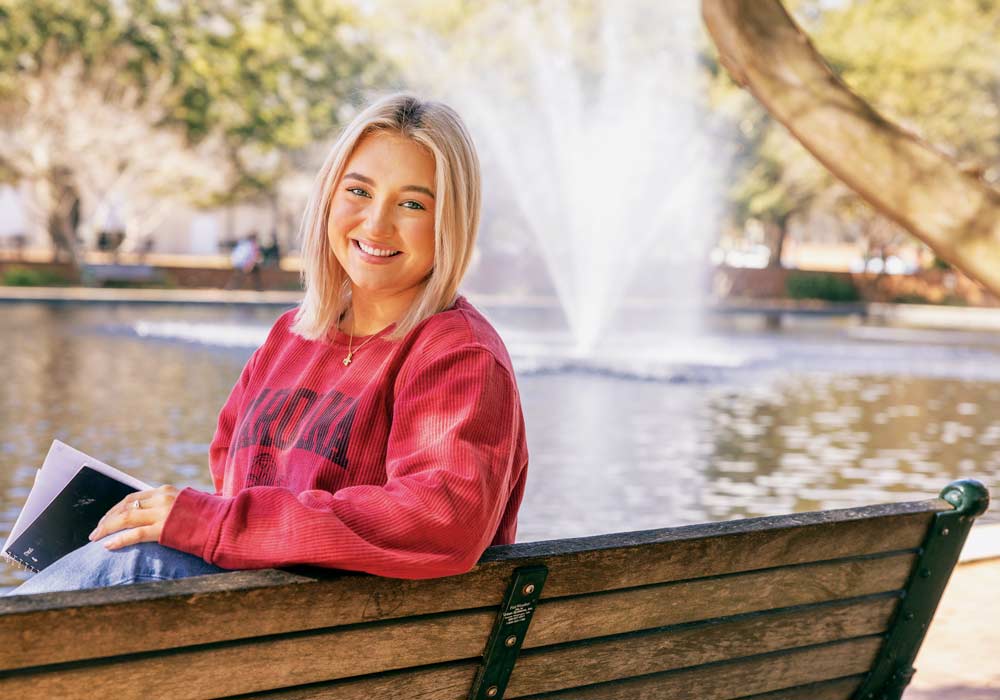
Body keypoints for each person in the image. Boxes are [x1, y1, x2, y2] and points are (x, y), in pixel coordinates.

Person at [10, 93, 528, 594]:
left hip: (359, 639)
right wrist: (183, 517)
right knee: (117, 541)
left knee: (134, 563)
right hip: (264, 625)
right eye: (359, 191)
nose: (376, 222)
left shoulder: (459, 355)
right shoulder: (290, 338)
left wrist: (211, 524)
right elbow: (229, 478)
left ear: (449, 223)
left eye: (412, 203)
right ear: (329, 197)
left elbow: (438, 519)